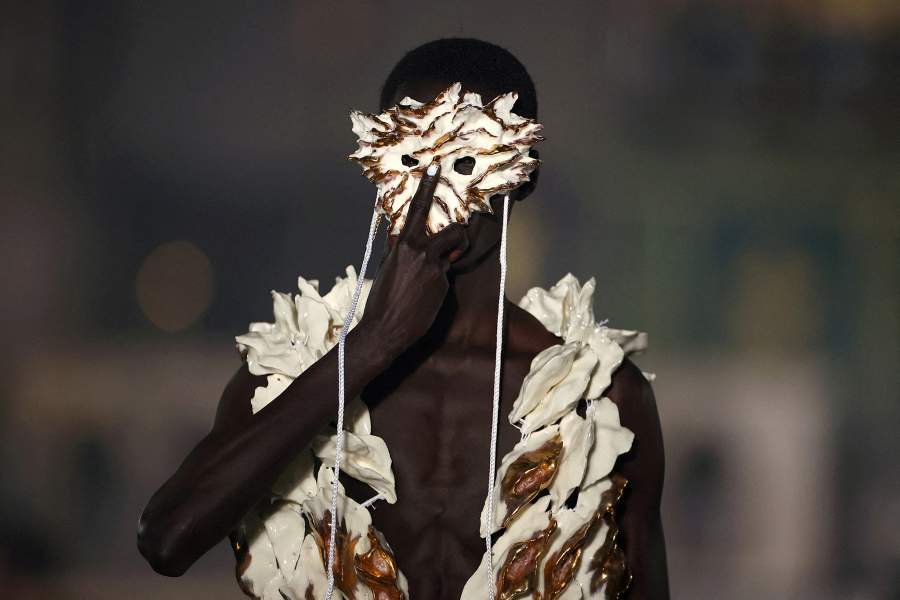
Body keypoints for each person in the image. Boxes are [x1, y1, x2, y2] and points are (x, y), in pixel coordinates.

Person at [137, 38, 669, 599]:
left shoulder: (600, 399)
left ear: (523, 173)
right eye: (412, 161)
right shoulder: (291, 371)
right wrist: (372, 344)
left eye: (466, 161)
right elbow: (167, 540)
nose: (433, 196)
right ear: (379, 166)